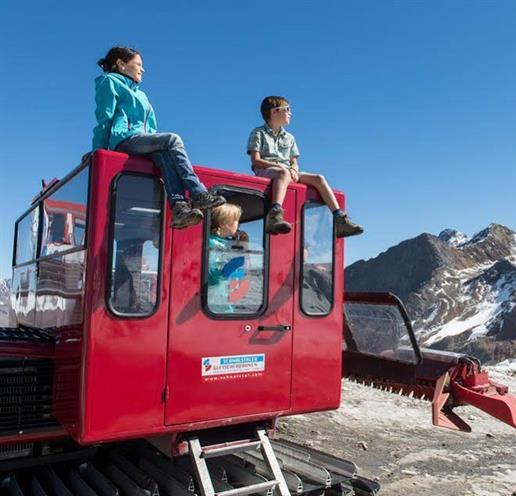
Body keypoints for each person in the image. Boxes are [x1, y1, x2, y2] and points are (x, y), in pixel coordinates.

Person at [91, 46, 226, 229]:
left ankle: (179, 207)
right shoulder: (109, 82)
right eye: (138, 64)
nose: (142, 69)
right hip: (124, 140)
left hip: (142, 141)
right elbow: (104, 119)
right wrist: (98, 152)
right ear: (121, 64)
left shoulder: (141, 94)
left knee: (165, 156)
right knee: (173, 139)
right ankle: (198, 192)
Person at [247, 96, 364, 237]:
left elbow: (294, 161)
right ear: (274, 111)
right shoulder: (258, 133)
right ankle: (275, 214)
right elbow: (256, 160)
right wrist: (281, 167)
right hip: (266, 170)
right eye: (287, 109)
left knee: (319, 178)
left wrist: (293, 169)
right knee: (283, 173)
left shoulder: (289, 137)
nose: (290, 113)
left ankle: (339, 219)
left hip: (288, 171)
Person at [207, 203, 244, 313]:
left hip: (221, 297)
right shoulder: (212, 244)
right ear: (223, 223)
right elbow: (210, 274)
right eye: (236, 220)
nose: (238, 224)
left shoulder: (222, 244)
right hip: (214, 301)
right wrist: (225, 272)